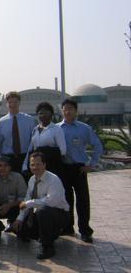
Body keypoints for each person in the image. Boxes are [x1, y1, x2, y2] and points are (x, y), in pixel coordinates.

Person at [58, 98, 103, 243]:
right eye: (65, 108)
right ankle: (67, 227)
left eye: (70, 108)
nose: (67, 111)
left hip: (79, 169)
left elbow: (98, 146)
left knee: (83, 200)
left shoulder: (84, 128)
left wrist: (91, 164)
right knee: (66, 199)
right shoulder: (57, 128)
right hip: (63, 168)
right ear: (61, 111)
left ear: (76, 111)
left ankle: (85, 230)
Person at [11, 152, 70, 259]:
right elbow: (27, 200)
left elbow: (51, 201)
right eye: (32, 164)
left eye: (38, 164)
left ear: (44, 164)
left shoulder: (54, 180)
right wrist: (19, 219)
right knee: (20, 229)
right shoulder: (32, 179)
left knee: (42, 212)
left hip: (60, 214)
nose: (35, 167)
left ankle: (47, 247)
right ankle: (47, 235)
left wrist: (29, 203)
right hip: (44, 214)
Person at [0, 156, 27, 240]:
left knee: (23, 234)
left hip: (15, 206)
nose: (2, 168)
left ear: (10, 168)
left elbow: (24, 197)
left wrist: (9, 205)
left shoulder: (18, 177)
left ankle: (16, 227)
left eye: (5, 165)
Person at [22, 102, 66, 179]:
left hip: (51, 166)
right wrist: (25, 165)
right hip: (37, 166)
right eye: (40, 113)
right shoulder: (35, 130)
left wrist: (47, 152)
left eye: (46, 112)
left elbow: (63, 150)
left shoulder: (56, 129)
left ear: (51, 114)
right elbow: (30, 149)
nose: (43, 115)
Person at [0, 91, 36, 173]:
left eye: (15, 102)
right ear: (6, 104)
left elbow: (33, 140)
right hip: (7, 158)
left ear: (19, 103)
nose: (13, 104)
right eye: (10, 102)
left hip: (25, 156)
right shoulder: (1, 122)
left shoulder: (29, 120)